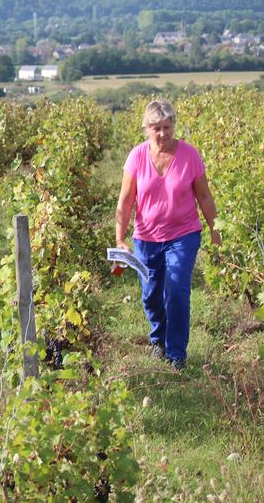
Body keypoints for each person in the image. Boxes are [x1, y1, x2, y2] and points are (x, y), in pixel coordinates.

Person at [115, 100, 221, 371]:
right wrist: (120, 238)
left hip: (183, 235)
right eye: (156, 128)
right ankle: (157, 340)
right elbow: (126, 201)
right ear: (146, 129)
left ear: (174, 125)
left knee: (176, 290)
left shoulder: (190, 156)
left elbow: (205, 196)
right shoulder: (137, 157)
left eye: (167, 127)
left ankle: (176, 353)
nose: (162, 134)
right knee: (150, 294)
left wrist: (215, 229)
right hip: (146, 237)